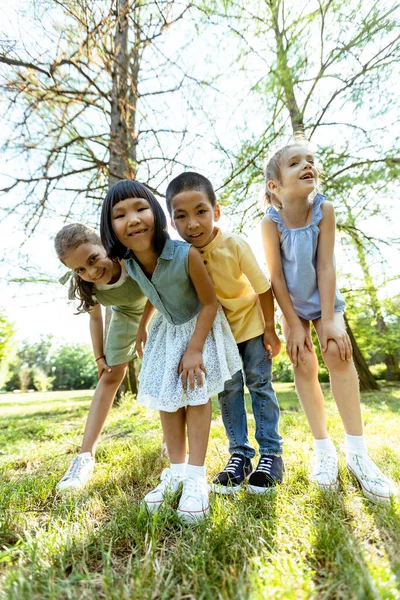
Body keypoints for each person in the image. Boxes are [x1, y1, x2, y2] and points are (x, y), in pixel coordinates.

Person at [261, 142, 398, 505]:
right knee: (303, 360)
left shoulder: (325, 210)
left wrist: (330, 320)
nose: (307, 166)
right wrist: (291, 325)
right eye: (294, 163)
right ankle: (324, 450)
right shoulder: (269, 223)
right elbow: (275, 278)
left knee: (338, 352)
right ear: (275, 185)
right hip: (291, 304)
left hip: (323, 298)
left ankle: (358, 453)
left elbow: (325, 266)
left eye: (310, 161)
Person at [100, 180, 242, 522]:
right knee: (167, 398)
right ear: (111, 227)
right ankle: (176, 471)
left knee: (195, 394)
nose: (132, 219)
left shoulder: (185, 254)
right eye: (120, 215)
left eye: (140, 208)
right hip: (167, 330)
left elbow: (209, 304)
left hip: (200, 327)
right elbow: (153, 291)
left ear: (157, 214)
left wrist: (194, 351)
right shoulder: (131, 262)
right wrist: (142, 325)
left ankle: (195, 478)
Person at [165, 172, 284, 495]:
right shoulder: (178, 256)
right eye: (182, 216)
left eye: (201, 211)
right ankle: (240, 455)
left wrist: (271, 330)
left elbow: (263, 289)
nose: (192, 224)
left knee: (259, 385)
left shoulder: (234, 244)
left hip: (252, 326)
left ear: (216, 212)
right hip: (220, 337)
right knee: (228, 392)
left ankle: (271, 454)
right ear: (172, 223)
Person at [54, 223, 146, 491]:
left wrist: (146, 329)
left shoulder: (131, 258)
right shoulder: (86, 285)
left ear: (104, 244)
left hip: (159, 308)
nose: (91, 272)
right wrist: (99, 357)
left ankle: (172, 443)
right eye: (80, 269)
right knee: (110, 375)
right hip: (126, 315)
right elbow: (95, 319)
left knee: (162, 368)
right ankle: (84, 456)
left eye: (93, 259)